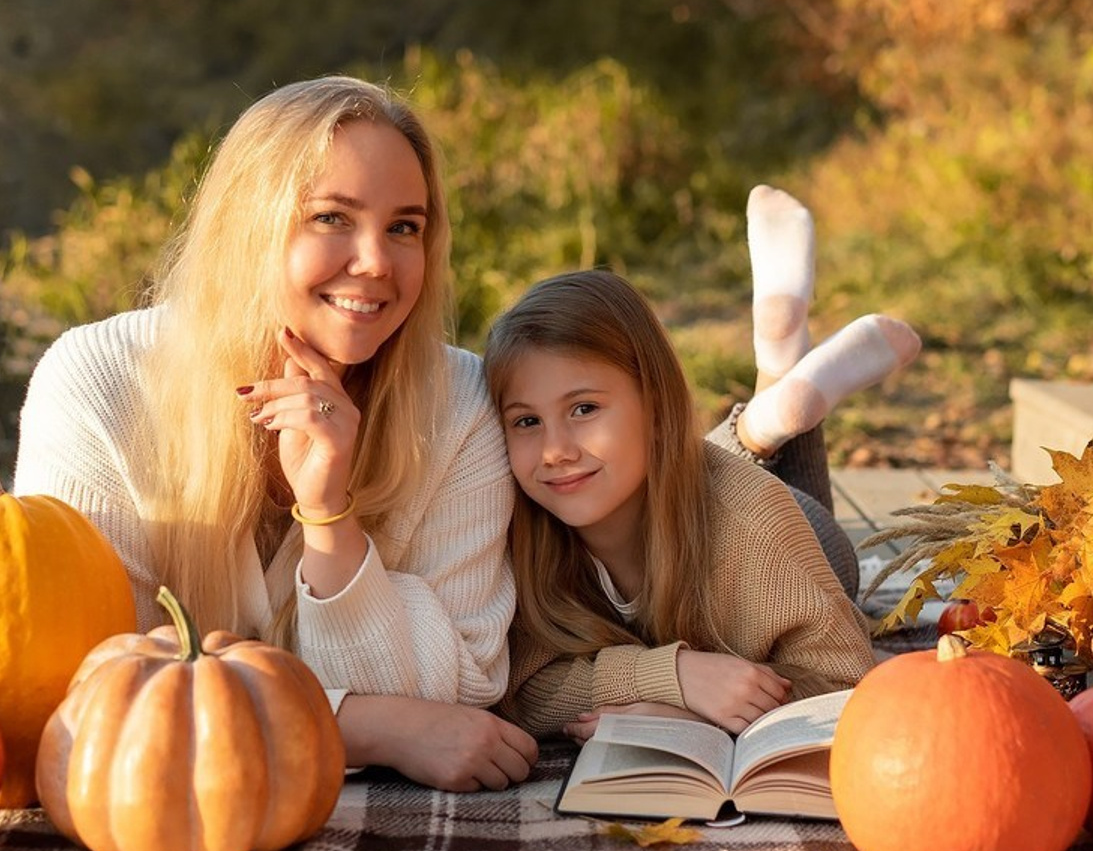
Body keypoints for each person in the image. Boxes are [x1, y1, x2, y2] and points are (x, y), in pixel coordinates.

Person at [13, 75, 538, 792]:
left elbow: (465, 685)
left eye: (404, 227)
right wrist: (366, 725)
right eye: (331, 217)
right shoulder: (99, 383)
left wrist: (329, 516)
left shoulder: (460, 404)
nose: (376, 262)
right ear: (246, 225)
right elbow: (87, 693)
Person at [484, 204, 918, 741]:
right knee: (688, 466)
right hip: (684, 483)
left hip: (797, 534)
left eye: (584, 409)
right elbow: (522, 689)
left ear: (656, 403)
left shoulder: (757, 527)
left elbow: (846, 684)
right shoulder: (520, 526)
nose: (554, 452)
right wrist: (675, 676)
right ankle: (776, 387)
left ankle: (776, 384)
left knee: (747, 490)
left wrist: (693, 715)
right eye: (526, 421)